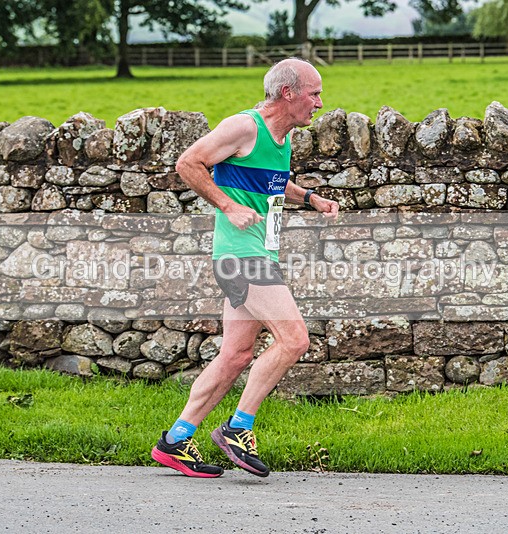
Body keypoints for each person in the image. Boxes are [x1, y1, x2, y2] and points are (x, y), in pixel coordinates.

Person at [151, 57, 339, 478]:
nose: (320, 103)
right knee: (294, 340)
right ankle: (239, 428)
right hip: (241, 257)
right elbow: (188, 163)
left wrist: (310, 198)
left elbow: (270, 182)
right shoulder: (244, 127)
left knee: (235, 357)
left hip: (256, 254)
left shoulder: (280, 137)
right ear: (288, 93)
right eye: (314, 93)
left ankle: (175, 440)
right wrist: (228, 205)